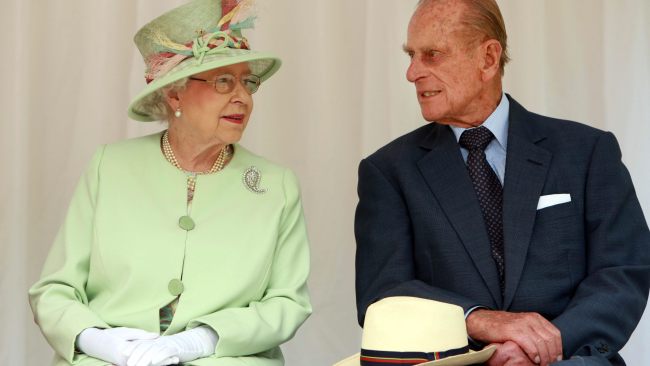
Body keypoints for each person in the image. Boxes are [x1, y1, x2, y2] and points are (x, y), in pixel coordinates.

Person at [354, 0, 650, 365]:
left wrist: (547, 343)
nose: (412, 72)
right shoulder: (388, 171)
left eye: (431, 54)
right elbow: (383, 294)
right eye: (411, 55)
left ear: (489, 58)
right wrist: (480, 320)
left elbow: (622, 271)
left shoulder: (587, 151)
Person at [28, 1, 311, 365]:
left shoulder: (277, 185)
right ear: (175, 93)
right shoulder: (110, 166)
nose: (242, 96)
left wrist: (201, 340)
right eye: (223, 80)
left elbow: (288, 303)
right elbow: (54, 290)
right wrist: (98, 341)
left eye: (248, 81)